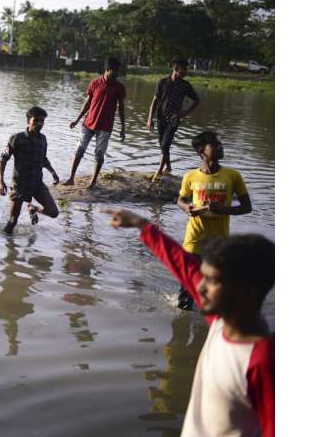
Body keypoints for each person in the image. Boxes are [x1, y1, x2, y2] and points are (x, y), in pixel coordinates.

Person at [102, 208, 273, 437]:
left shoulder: (263, 362)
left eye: (211, 280)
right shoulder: (221, 322)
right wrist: (140, 223)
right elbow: (183, 264)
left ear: (246, 292)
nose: (200, 286)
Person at [175, 131, 252, 310]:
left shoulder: (233, 176)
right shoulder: (190, 177)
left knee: (214, 292)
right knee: (185, 297)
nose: (221, 147)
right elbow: (180, 199)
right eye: (216, 144)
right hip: (193, 240)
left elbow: (247, 207)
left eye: (220, 144)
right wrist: (187, 208)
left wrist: (223, 209)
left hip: (219, 242)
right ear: (202, 151)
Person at [63, 57, 127, 189]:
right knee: (79, 150)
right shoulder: (95, 82)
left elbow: (121, 108)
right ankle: (71, 178)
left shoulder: (119, 87)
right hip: (88, 123)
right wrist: (77, 119)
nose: (117, 73)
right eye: (115, 71)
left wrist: (123, 127)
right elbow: (87, 102)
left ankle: (92, 182)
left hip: (105, 127)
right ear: (108, 70)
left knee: (99, 154)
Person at [0, 106, 60, 234]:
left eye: (42, 121)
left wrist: (53, 172)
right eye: (36, 120)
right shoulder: (17, 138)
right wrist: (1, 181)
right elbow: (3, 159)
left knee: (53, 212)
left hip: (37, 183)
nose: (39, 124)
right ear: (28, 121)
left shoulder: (43, 139)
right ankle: (7, 248)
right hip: (19, 185)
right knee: (12, 222)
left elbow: (43, 159)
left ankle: (33, 208)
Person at [147, 57, 201, 182]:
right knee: (163, 144)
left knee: (165, 144)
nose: (185, 71)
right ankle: (169, 167)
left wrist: (184, 113)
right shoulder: (163, 82)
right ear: (176, 69)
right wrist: (150, 118)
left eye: (186, 69)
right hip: (161, 117)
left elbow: (196, 100)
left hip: (174, 119)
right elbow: (155, 101)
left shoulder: (185, 85)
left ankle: (159, 171)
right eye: (184, 69)